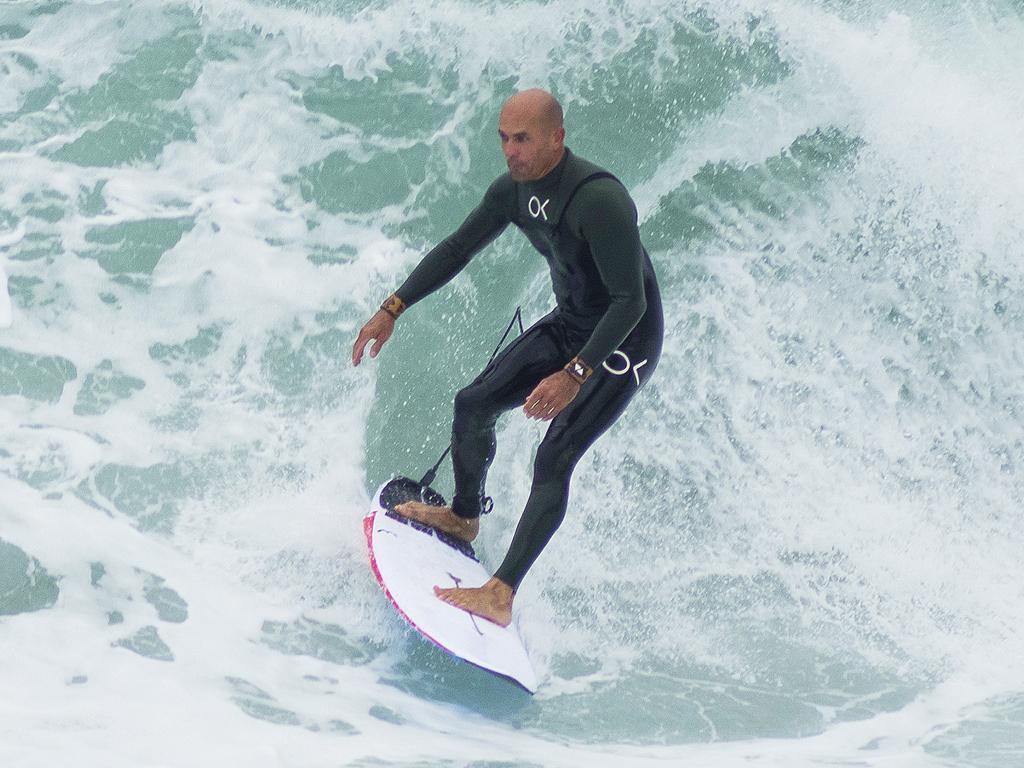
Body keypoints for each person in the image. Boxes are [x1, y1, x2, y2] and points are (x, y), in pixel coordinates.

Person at [351, 88, 663, 627]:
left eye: (523, 139)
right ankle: (462, 517)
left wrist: (574, 374)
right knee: (473, 404)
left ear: (557, 139)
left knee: (557, 452)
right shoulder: (513, 192)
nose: (511, 151)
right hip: (572, 323)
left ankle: (501, 593)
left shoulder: (600, 199)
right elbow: (457, 248)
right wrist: (392, 308)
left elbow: (630, 301)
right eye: (504, 138)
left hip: (623, 344)